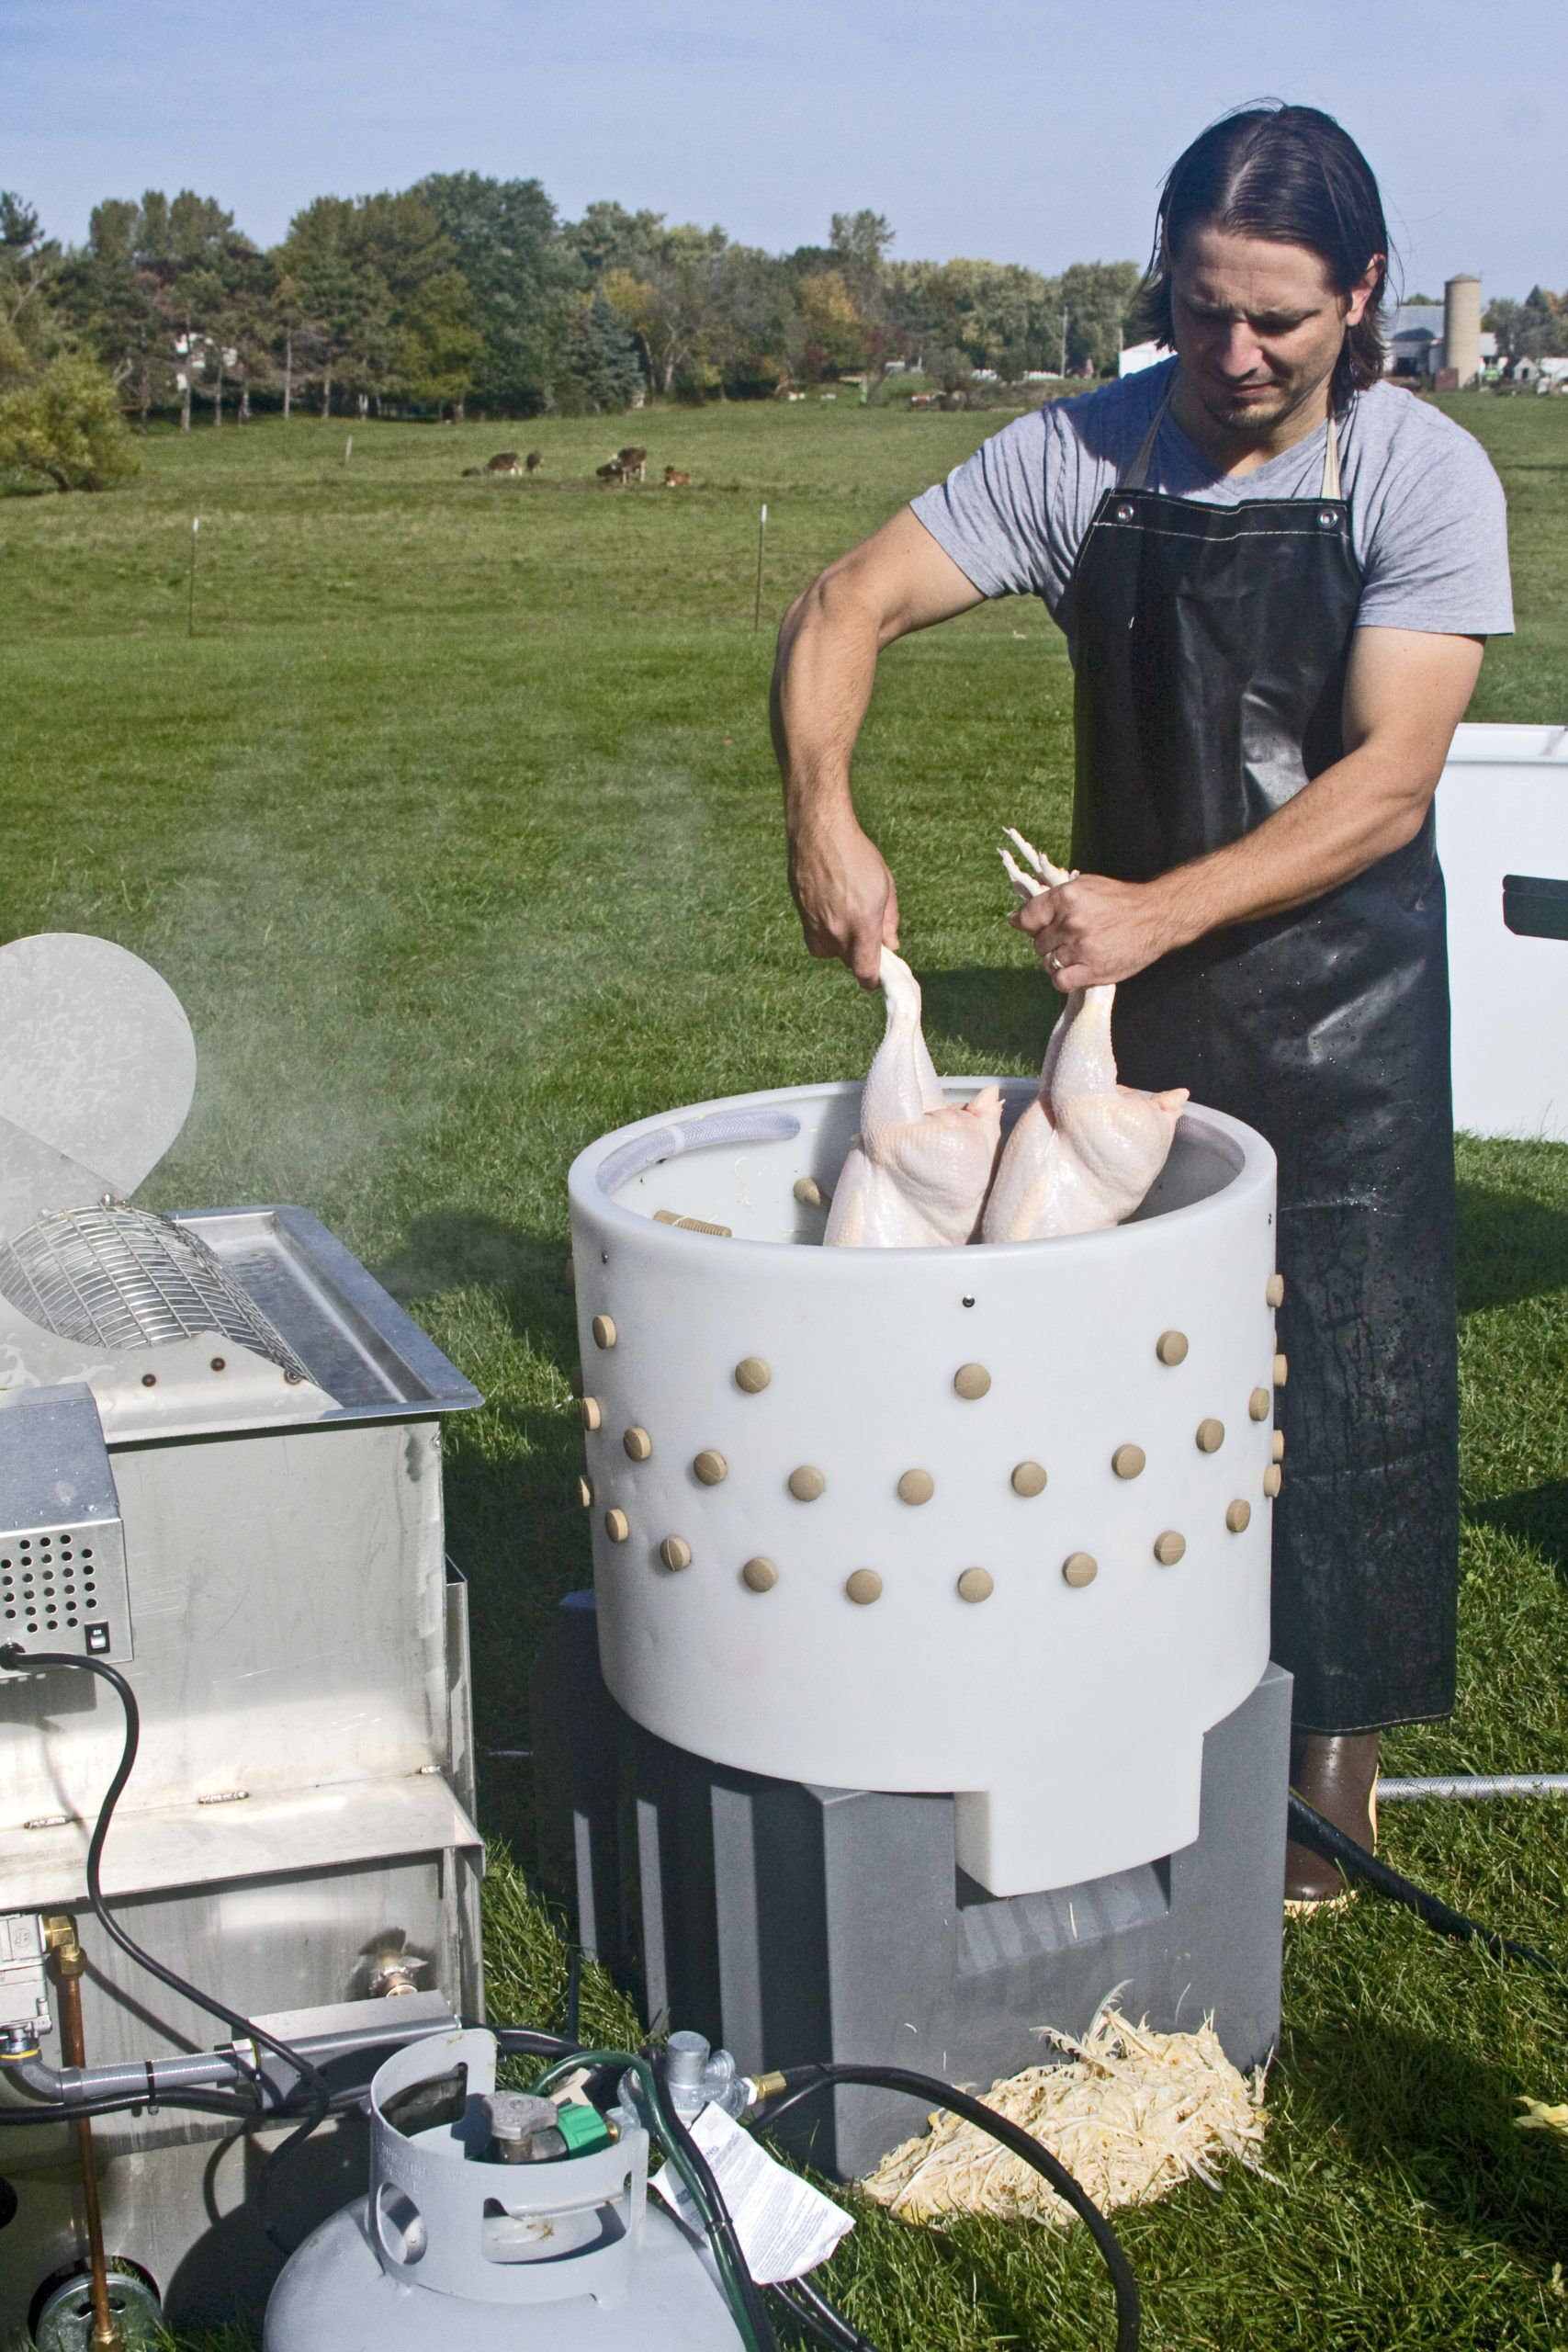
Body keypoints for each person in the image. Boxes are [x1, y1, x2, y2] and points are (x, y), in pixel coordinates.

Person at [771, 104, 1513, 1904]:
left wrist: (1153, 912)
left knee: (1346, 1373)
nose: (1232, 354)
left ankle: (1329, 1761)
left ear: (1364, 294)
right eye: (1198, 310)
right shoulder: (1081, 454)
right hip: (1129, 1012)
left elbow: (1386, 783)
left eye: (1276, 319)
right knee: (1113, 1363)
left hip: (1342, 1008)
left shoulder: (1418, 476)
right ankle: (1105, 1678)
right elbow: (846, 601)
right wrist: (821, 813)